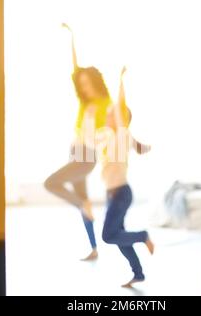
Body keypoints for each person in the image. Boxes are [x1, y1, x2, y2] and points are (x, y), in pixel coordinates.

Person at [44, 23, 112, 261]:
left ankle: (81, 206)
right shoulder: (84, 103)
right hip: (75, 153)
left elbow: (113, 129)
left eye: (87, 83)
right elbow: (75, 69)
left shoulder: (106, 103)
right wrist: (71, 37)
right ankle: (94, 249)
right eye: (81, 84)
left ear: (95, 82)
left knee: (50, 183)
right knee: (85, 203)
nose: (84, 86)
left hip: (87, 157)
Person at [85, 67, 154, 287]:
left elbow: (119, 107)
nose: (107, 115)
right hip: (113, 194)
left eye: (111, 114)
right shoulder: (109, 137)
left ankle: (143, 236)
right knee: (118, 236)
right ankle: (138, 273)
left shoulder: (122, 134)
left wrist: (120, 80)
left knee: (108, 236)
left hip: (120, 194)